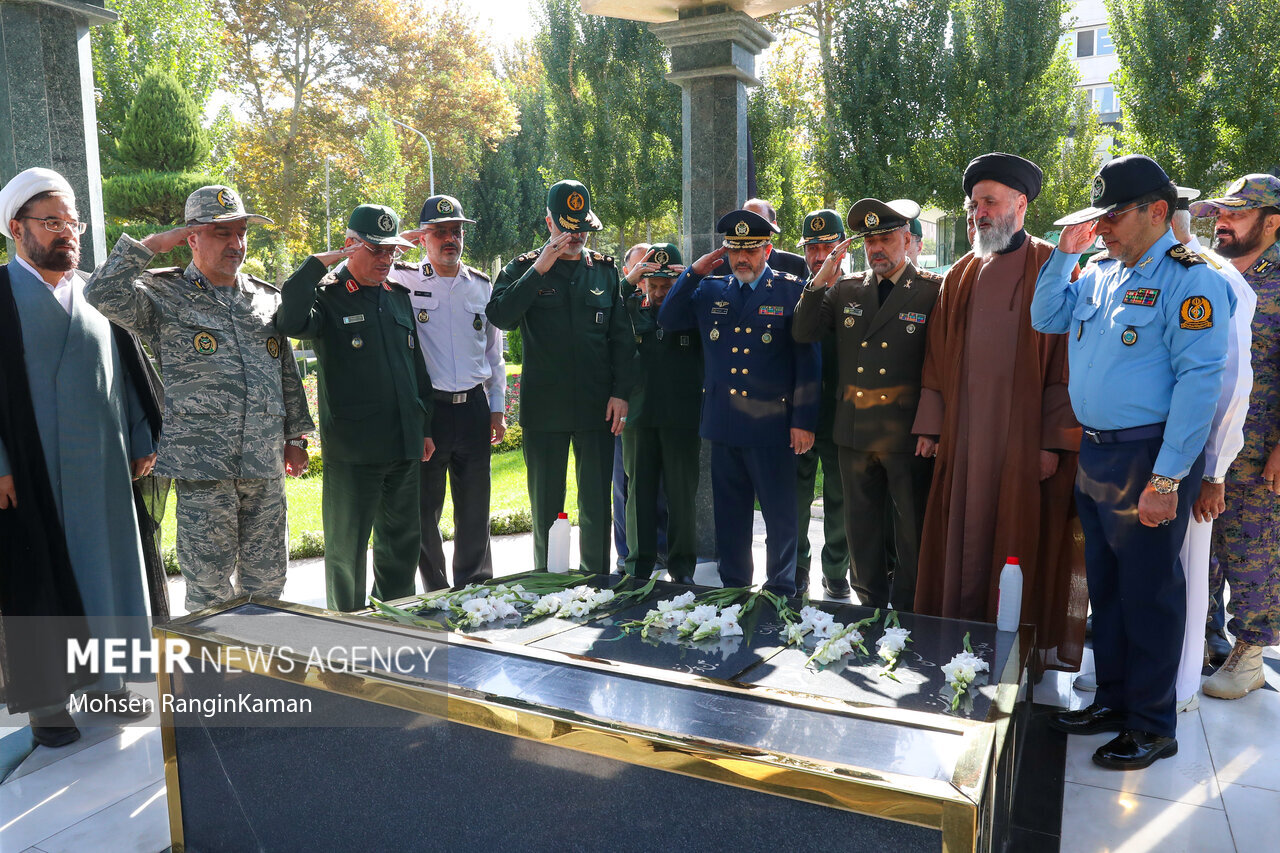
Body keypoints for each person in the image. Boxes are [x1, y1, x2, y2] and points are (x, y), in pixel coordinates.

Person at [1035, 154, 1229, 770]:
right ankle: (1115, 701)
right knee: (1109, 591)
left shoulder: (1190, 279)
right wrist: (1064, 254)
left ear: (1156, 212)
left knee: (1150, 595)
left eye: (1114, 215)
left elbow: (1201, 385)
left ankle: (1152, 724)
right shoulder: (1097, 272)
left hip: (1151, 456)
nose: (1105, 227)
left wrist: (1168, 478)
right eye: (1100, 217)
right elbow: (1046, 316)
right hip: (1097, 452)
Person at [87, 185, 314, 611]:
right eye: (222, 233)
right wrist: (153, 245)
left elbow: (283, 371)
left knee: (267, 584)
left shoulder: (266, 298)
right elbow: (102, 293)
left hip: (263, 465)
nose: (237, 244)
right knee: (209, 590)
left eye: (242, 232)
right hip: (203, 468)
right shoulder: (164, 295)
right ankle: (211, 678)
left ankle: (261, 674)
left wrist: (296, 437)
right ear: (191, 237)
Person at [0, 168, 157, 746]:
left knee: (107, 572)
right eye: (51, 222)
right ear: (16, 229)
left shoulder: (96, 293)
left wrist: (142, 437)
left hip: (102, 465)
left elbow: (130, 376)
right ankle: (47, 700)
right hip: (31, 469)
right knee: (37, 578)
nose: (67, 232)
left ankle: (109, 679)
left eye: (73, 222)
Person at [912, 152, 1086, 670]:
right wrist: (932, 426)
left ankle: (1018, 652)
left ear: (1020, 204)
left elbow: (1066, 364)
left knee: (1018, 536)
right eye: (972, 204)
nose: (978, 213)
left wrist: (1052, 441)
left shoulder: (1052, 266)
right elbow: (938, 359)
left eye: (988, 202)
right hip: (966, 440)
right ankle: (960, 641)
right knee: (961, 537)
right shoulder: (961, 273)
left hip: (1023, 444)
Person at [275, 205, 434, 611]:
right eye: (376, 250)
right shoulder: (327, 297)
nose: (386, 260)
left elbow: (416, 368)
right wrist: (315, 265)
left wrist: (425, 427)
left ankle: (395, 622)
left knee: (402, 546)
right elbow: (290, 321)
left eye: (392, 252)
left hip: (403, 442)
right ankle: (346, 633)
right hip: (355, 448)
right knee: (347, 551)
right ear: (349, 246)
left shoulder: (397, 296)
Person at [660, 209, 820, 595]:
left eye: (750, 250)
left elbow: (809, 361)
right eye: (734, 251)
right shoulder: (712, 290)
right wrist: (695, 272)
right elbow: (668, 318)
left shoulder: (790, 290)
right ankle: (734, 589)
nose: (741, 259)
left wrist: (804, 420)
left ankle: (781, 589)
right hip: (725, 423)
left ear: (767, 249)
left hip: (773, 426)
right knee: (730, 517)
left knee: (780, 516)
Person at [794, 199, 941, 610]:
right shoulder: (846, 288)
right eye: (870, 240)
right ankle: (871, 604)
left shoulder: (931, 291)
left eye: (886, 239)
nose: (877, 248)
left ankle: (911, 608)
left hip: (906, 434)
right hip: (855, 431)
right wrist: (821, 278)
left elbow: (941, 366)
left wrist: (933, 427)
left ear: (907, 240)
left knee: (911, 528)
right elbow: (804, 331)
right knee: (861, 529)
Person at [486, 180, 634, 573]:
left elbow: (621, 339)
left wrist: (621, 393)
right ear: (549, 222)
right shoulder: (523, 269)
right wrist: (539, 270)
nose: (576, 236)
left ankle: (596, 583)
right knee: (548, 507)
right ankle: (548, 585)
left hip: (595, 406)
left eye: (582, 228)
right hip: (545, 408)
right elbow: (501, 316)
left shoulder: (604, 272)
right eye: (567, 227)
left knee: (596, 507)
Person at [1190, 174, 1280, 699]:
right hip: (1199, 442)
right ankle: (1200, 641)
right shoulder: (1208, 270)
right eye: (1219, 213)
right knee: (1201, 554)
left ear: (1272, 222)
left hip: (1257, 449)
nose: (1222, 223)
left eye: (1237, 214)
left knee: (1252, 550)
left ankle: (1250, 654)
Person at [391, 194, 505, 591]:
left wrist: (497, 408)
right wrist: (398, 241)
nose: (449, 239)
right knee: (424, 510)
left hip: (473, 406)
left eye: (455, 231)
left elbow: (494, 352)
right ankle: (436, 589)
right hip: (429, 411)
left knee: (475, 507)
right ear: (423, 238)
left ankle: (474, 585)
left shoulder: (481, 285)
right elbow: (348, 271)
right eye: (439, 232)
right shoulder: (401, 278)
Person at [622, 243, 700, 583]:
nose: (657, 292)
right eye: (652, 285)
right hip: (638, 419)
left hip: (681, 419)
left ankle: (682, 569)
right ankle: (638, 567)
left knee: (682, 496)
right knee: (638, 494)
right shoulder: (629, 311)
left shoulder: (693, 312)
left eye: (666, 286)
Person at [793, 208, 854, 598]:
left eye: (827, 246)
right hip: (798, 411)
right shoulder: (792, 290)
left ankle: (835, 569)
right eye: (812, 248)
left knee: (839, 495)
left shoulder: (858, 290)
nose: (818, 256)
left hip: (841, 411)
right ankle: (797, 566)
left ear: (842, 249)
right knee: (795, 495)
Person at [614, 242, 670, 570]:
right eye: (641, 271)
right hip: (627, 410)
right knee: (625, 487)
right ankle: (626, 552)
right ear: (628, 273)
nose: (646, 278)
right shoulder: (620, 304)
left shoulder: (663, 305)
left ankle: (659, 548)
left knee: (660, 486)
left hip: (659, 409)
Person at [712, 198, 809, 280]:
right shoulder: (721, 267)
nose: (750, 226)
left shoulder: (796, 265)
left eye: (759, 221)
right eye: (746, 219)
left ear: (773, 226)